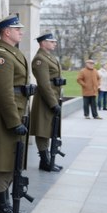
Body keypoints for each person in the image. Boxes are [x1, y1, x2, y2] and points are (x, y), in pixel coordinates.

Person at [0, 14, 32, 213]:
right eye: (18, 29)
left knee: (12, 159)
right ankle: (0, 205)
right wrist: (14, 121)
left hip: (17, 111)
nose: (21, 32)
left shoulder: (12, 53)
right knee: (4, 160)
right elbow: (4, 92)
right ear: (7, 32)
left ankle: (5, 204)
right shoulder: (1, 56)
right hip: (7, 114)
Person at [30, 32, 64, 172]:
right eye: (51, 41)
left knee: (49, 129)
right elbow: (44, 84)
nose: (54, 43)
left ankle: (48, 160)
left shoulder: (48, 57)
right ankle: (45, 161)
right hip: (45, 99)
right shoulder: (40, 59)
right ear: (43, 43)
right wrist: (53, 103)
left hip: (53, 97)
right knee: (43, 130)